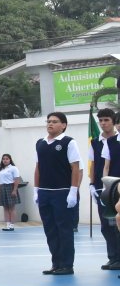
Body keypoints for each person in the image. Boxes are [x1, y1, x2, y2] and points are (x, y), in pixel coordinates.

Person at [34, 112, 82, 275]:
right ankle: (56, 263)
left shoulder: (69, 142)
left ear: (64, 125)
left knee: (64, 229)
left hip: (62, 192)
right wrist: (36, 189)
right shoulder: (40, 143)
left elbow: (76, 167)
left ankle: (67, 265)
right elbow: (38, 167)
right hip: (45, 193)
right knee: (50, 230)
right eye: (48, 121)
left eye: (54, 121)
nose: (50, 124)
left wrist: (73, 191)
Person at [94, 108, 120, 270]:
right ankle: (114, 257)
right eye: (119, 122)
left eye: (108, 120)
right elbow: (106, 167)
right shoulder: (109, 143)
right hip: (114, 188)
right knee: (109, 225)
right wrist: (105, 186)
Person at [0, 153, 21, 231]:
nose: (5, 160)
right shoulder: (0, 170)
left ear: (10, 160)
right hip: (2, 188)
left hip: (10, 187)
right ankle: (7, 224)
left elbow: (17, 179)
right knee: (5, 208)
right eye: (3, 159)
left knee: (11, 207)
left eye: (7, 159)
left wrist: (14, 190)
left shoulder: (13, 168)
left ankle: (12, 225)